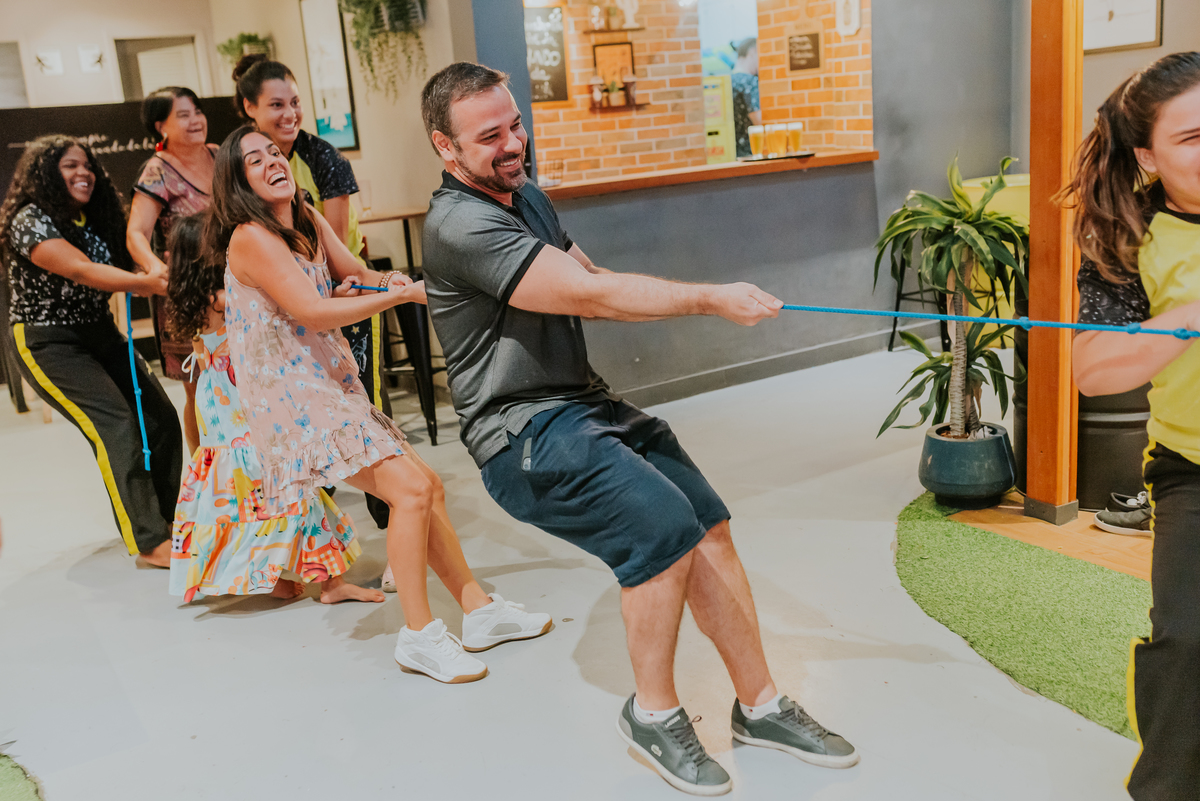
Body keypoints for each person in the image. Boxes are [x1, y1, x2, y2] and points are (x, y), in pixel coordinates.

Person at [419, 62, 857, 795]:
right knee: (660, 530)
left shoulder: (525, 195)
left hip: (580, 404)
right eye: (489, 136)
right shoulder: (460, 223)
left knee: (707, 522)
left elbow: (590, 279)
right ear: (446, 146)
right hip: (521, 433)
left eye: (515, 125)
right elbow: (591, 296)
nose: (513, 144)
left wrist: (689, 296)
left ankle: (761, 705)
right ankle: (653, 715)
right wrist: (711, 299)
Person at [210, 125, 552, 680]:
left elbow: (358, 274)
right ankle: (418, 635)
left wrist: (409, 286)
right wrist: (395, 297)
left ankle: (479, 611)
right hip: (293, 397)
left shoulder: (304, 217)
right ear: (236, 182)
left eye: (274, 152)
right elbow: (313, 310)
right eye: (254, 160)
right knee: (411, 492)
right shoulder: (250, 237)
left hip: (327, 382)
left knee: (428, 488)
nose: (272, 161)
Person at [1065, 51, 1200, 801]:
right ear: (1148, 156)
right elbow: (1094, 369)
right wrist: (1189, 317)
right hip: (1192, 469)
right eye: (1192, 137)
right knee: (1188, 640)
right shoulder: (1132, 237)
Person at [164, 213, 377, 604]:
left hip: (219, 404)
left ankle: (276, 576)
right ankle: (328, 583)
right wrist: (328, 296)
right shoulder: (225, 297)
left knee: (244, 496)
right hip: (244, 401)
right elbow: (285, 307)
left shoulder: (195, 302)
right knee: (288, 487)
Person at [0, 134, 182, 567]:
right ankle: (150, 541)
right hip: (48, 342)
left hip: (99, 331)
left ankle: (172, 521)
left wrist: (155, 267)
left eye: (87, 165)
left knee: (159, 416)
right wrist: (148, 282)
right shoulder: (30, 218)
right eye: (70, 166)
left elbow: (131, 252)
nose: (84, 173)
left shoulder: (96, 216)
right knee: (116, 425)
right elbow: (80, 269)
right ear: (46, 174)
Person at [232, 54, 392, 533]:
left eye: (295, 102)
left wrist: (385, 286)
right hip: (289, 341)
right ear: (249, 108)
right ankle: (322, 541)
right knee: (309, 447)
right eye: (276, 105)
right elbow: (304, 298)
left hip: (339, 305)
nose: (290, 114)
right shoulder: (242, 194)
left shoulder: (323, 160)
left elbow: (333, 259)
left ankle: (389, 517)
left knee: (371, 422)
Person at [127, 86, 218, 455]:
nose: (195, 120)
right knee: (201, 388)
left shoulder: (220, 156)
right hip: (188, 292)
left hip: (238, 285)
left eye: (197, 111)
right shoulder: (157, 171)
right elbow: (136, 233)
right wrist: (157, 269)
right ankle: (203, 472)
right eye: (183, 115)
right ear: (161, 126)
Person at [731, 38, 760, 158]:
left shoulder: (726, 81)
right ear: (752, 53)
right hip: (749, 152)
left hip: (731, 152)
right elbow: (758, 120)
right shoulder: (750, 82)